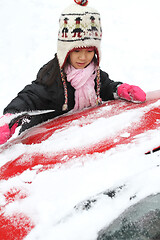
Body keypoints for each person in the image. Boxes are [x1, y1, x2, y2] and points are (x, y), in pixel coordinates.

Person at [0, 0, 146, 145]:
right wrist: (10, 119)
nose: (83, 57)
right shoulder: (53, 77)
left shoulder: (94, 74)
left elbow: (106, 88)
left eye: (89, 51)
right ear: (66, 50)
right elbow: (29, 98)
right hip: (44, 144)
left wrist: (120, 89)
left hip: (77, 140)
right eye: (76, 51)